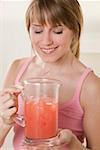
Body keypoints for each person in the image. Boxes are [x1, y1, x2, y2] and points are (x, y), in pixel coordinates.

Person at [0, 0, 100, 149]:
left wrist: (72, 143)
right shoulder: (17, 68)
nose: (46, 41)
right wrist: (3, 123)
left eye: (57, 31)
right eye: (38, 31)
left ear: (75, 31)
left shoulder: (91, 86)